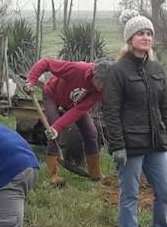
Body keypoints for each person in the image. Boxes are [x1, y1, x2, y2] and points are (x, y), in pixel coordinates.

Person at [101, 15, 167, 227]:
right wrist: (117, 146)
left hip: (156, 142)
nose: (146, 37)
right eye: (141, 34)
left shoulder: (156, 69)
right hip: (130, 145)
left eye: (149, 33)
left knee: (165, 191)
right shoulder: (117, 71)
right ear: (130, 39)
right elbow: (111, 112)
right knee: (130, 195)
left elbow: (164, 106)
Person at [24, 57, 112, 185]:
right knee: (53, 131)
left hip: (74, 104)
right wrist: (31, 81)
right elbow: (46, 62)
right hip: (52, 95)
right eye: (105, 84)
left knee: (91, 132)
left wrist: (57, 127)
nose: (106, 88)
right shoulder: (77, 69)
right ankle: (53, 175)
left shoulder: (101, 91)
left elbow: (77, 111)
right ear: (96, 76)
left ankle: (95, 173)